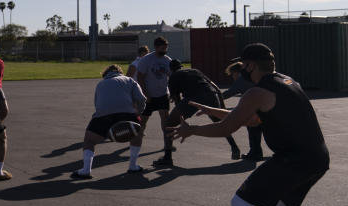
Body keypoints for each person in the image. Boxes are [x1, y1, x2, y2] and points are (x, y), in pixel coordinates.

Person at [169, 43, 330, 206]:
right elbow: (250, 118)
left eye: (243, 65)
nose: (242, 69)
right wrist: (210, 109)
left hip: (293, 158)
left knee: (241, 203)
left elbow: (228, 127)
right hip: (317, 157)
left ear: (251, 65)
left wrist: (191, 130)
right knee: (282, 203)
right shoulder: (287, 81)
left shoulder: (257, 92)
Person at [71, 64, 147, 179]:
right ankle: (133, 166)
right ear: (120, 72)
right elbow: (141, 99)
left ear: (105, 74)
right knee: (138, 132)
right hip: (127, 113)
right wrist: (138, 112)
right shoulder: (129, 80)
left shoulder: (100, 84)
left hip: (103, 116)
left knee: (89, 140)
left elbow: (98, 105)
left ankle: (86, 170)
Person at [167, 59, 241, 162]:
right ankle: (235, 148)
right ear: (181, 66)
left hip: (194, 97)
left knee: (169, 123)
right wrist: (221, 108)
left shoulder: (173, 76)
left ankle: (167, 157)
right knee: (220, 123)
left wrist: (181, 118)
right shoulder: (195, 71)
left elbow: (177, 100)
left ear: (170, 69)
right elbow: (215, 87)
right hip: (211, 94)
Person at [134, 37, 174, 168]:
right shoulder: (147, 60)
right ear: (156, 47)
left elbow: (171, 76)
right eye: (162, 48)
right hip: (149, 97)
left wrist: (172, 93)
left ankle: (167, 146)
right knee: (142, 123)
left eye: (166, 48)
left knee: (166, 122)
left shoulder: (167, 60)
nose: (164, 50)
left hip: (162, 95)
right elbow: (140, 77)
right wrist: (145, 94)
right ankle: (135, 150)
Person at [223, 61, 265, 161]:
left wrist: (214, 98)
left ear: (236, 72)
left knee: (253, 130)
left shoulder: (241, 79)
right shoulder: (253, 76)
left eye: (232, 74)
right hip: (266, 105)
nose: (232, 77)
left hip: (256, 108)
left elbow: (229, 93)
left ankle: (255, 153)